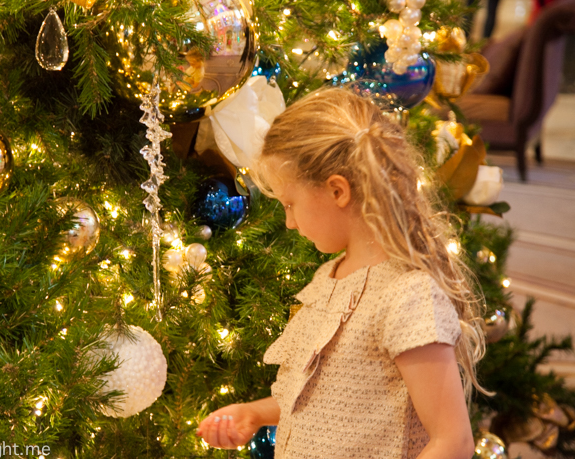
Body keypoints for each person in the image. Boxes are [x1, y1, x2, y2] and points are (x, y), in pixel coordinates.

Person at [196, 88, 490, 458]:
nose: (288, 222)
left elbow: (453, 441)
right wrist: (255, 413)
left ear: (337, 190)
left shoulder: (408, 295)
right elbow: (324, 395)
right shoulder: (329, 277)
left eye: (291, 203)